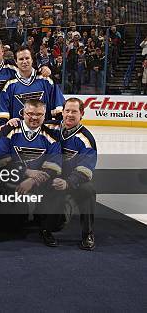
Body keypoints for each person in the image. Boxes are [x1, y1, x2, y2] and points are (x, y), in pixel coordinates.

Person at [0, 99, 63, 246]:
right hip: (14, 178)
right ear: (23, 113)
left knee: (55, 186)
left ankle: (46, 229)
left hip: (39, 181)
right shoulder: (8, 131)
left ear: (44, 116)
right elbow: (1, 162)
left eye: (39, 114)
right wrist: (26, 172)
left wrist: (32, 180)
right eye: (30, 113)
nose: (34, 117)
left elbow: (54, 166)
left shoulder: (52, 136)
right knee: (11, 226)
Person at [44, 98, 97, 250]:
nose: (70, 114)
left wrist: (68, 182)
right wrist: (12, 123)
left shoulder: (86, 139)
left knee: (88, 190)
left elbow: (86, 169)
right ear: (62, 112)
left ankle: (88, 233)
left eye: (74, 111)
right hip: (51, 177)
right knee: (57, 222)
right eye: (67, 111)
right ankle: (46, 229)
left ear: (82, 114)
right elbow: (30, 123)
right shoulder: (49, 126)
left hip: (73, 181)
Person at [0, 46, 64, 130]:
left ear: (32, 60)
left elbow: (58, 107)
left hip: (44, 133)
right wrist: (4, 124)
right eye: (21, 59)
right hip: (18, 133)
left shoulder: (46, 80)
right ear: (16, 62)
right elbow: (3, 112)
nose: (24, 62)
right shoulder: (9, 85)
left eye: (27, 58)